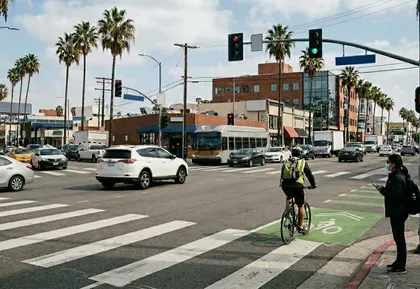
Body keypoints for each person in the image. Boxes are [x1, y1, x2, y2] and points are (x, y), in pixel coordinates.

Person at [376, 153, 409, 274]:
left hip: (398, 211)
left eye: (388, 162)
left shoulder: (397, 177)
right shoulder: (396, 175)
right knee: (398, 238)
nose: (387, 164)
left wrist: (382, 190)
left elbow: (397, 195)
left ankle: (401, 266)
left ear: (393, 164)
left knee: (399, 239)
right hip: (398, 211)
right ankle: (398, 261)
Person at [280, 147, 316, 234]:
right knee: (301, 205)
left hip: (285, 185)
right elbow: (309, 174)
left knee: (289, 196)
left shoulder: (286, 162)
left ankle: (288, 213)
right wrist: (313, 185)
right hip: (297, 185)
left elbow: (282, 174)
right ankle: (300, 226)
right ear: (300, 154)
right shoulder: (302, 162)